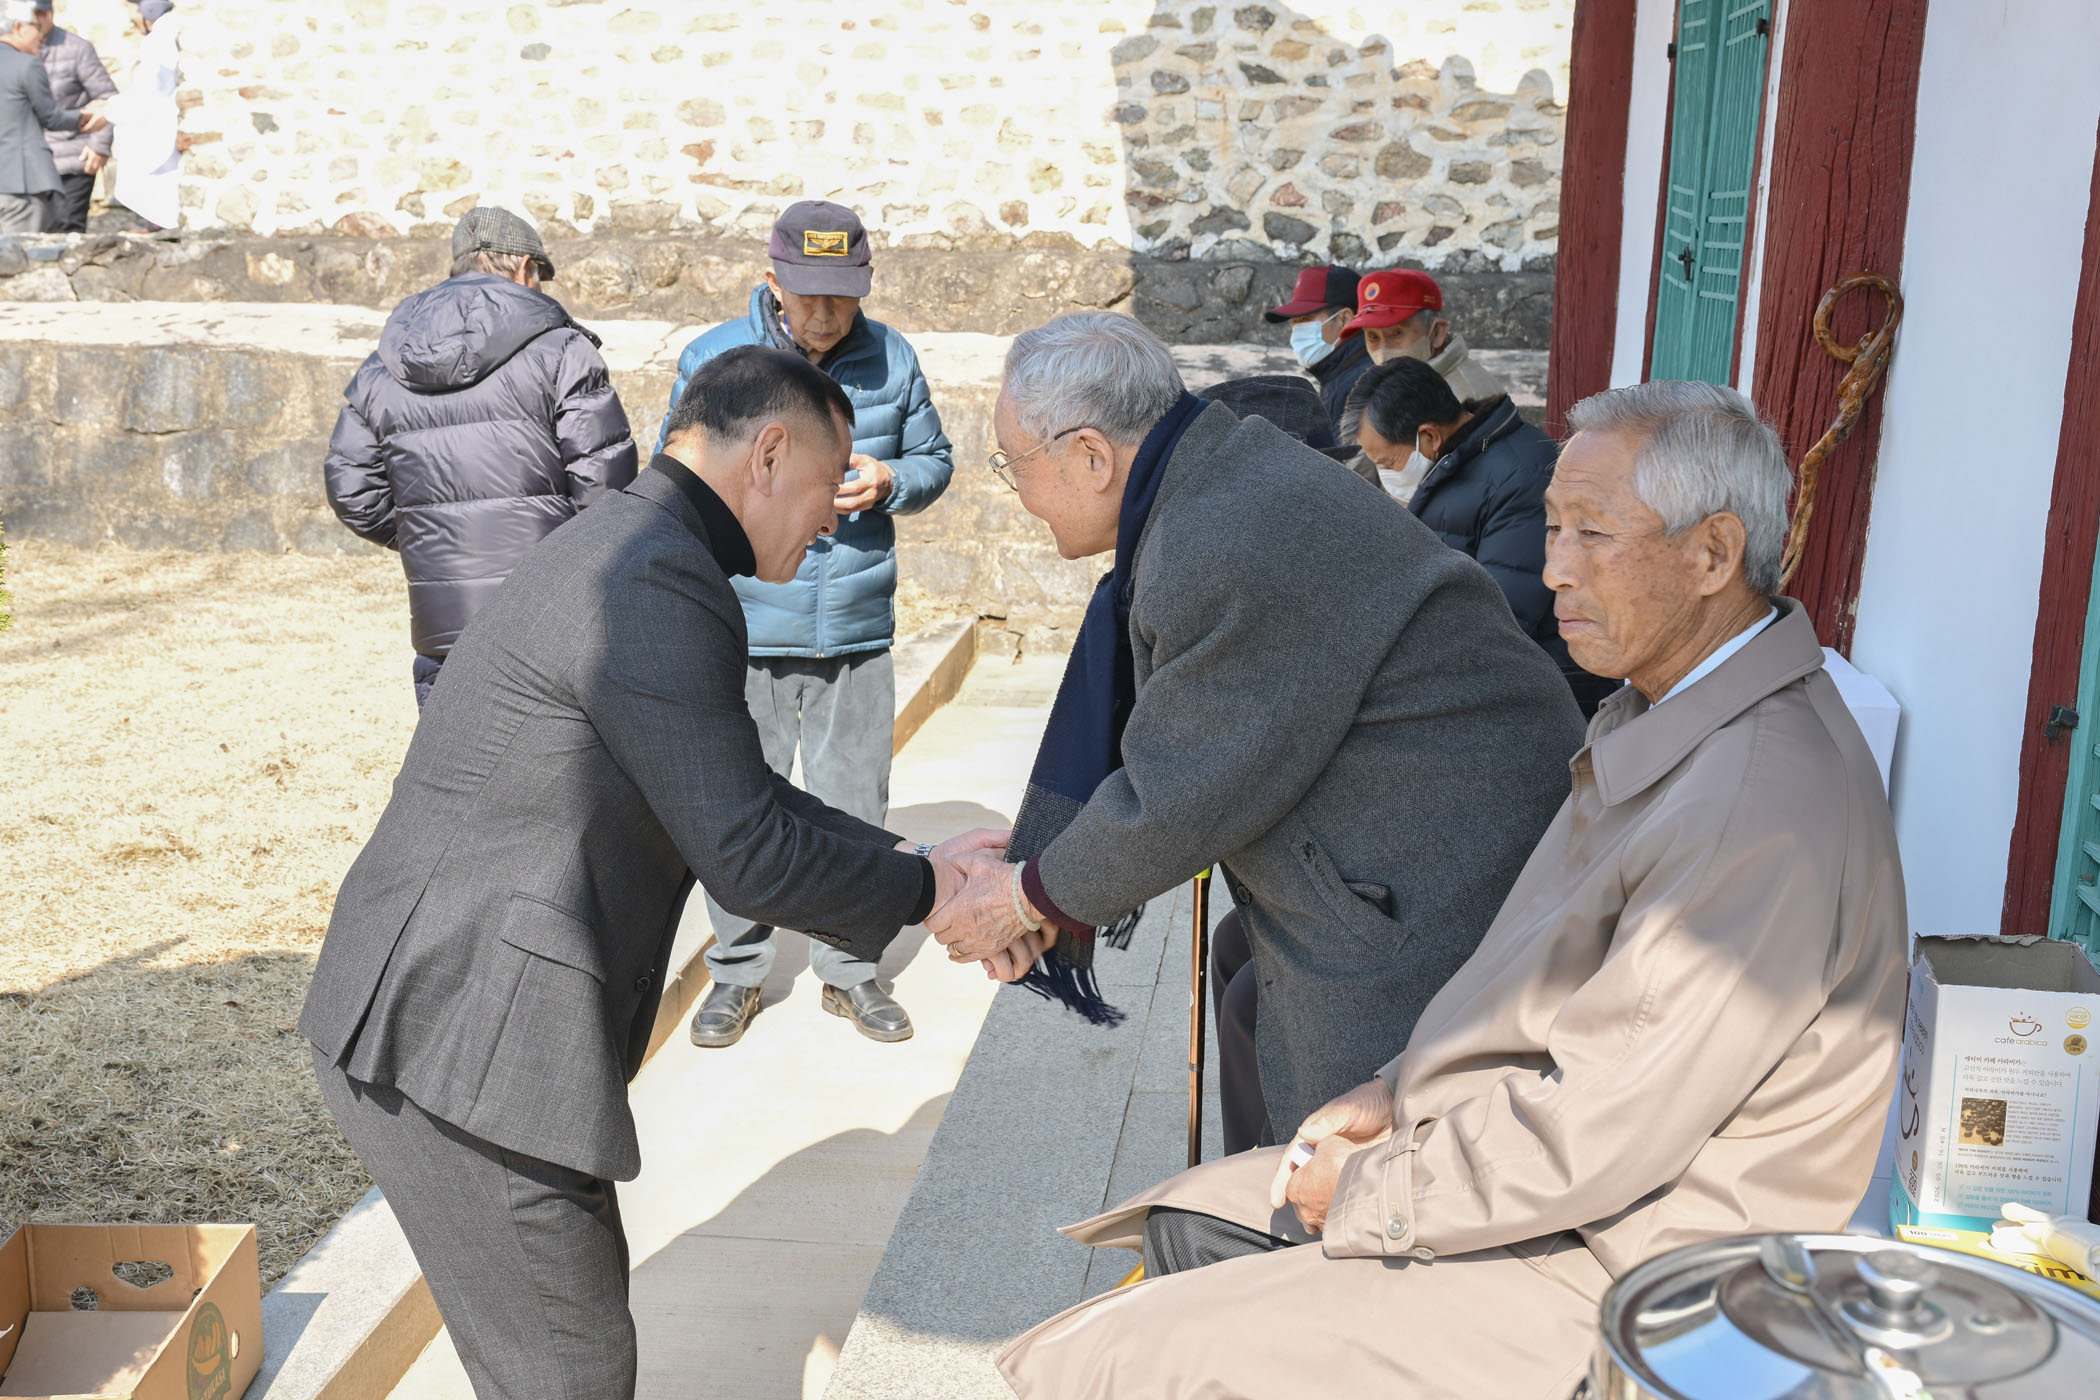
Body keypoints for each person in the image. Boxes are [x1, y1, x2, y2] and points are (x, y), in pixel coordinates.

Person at [995, 381, 1908, 1400]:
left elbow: (1598, 1129)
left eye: (1593, 533)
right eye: (1552, 527)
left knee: (1121, 1358)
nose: (1555, 568)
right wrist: (1394, 1089)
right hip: (1572, 1206)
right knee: (1190, 1222)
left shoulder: (1752, 803)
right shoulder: (1666, 714)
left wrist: (1375, 1187)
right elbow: (1534, 976)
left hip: (1639, 1269)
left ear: (1711, 555)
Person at [302, 346, 1005, 1400]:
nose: (833, 519)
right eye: (830, 482)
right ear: (770, 453)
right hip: (462, 1028)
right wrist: (935, 895)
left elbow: (734, 794)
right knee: (570, 1368)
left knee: (564, 1354)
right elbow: (748, 853)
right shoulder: (655, 576)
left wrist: (911, 857)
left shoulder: (639, 544)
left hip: (466, 1008)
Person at [930, 313, 1586, 1156]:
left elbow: (1180, 793)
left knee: (1333, 1117)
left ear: (1091, 456)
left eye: (1013, 462)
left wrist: (1025, 895)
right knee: (1243, 981)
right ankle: (1256, 1203)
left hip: (1451, 865)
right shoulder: (1219, 476)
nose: (1016, 491)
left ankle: (1311, 1210)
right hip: (1446, 814)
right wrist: (1046, 869)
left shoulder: (1219, 537)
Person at [659, 200, 954, 1049]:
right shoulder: (716, 361)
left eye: (843, 295)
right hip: (745, 625)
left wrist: (893, 481)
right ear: (771, 280)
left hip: (854, 627)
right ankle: (738, 969)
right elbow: (673, 473)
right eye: (808, 294)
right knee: (734, 811)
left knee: (856, 804)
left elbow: (936, 461)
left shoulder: (893, 357)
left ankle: (850, 971)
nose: (825, 314)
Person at [323, 206, 637, 708]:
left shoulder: (382, 365)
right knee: (556, 758)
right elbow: (605, 488)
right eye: (540, 275)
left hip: (443, 628)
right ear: (525, 267)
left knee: (450, 756)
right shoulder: (562, 350)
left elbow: (353, 492)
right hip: (550, 619)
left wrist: (431, 534)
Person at [1357, 356, 1618, 715]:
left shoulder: (1522, 475)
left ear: (1429, 436)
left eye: (1387, 463)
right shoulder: (1453, 464)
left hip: (1546, 689)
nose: (1385, 475)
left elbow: (1502, 615)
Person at [1338, 267, 1506, 498]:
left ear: (1437, 333)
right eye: (1373, 337)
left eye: (1397, 334)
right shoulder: (1397, 385)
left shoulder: (1468, 396)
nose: (1383, 353)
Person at [0, 0, 102, 233]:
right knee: (25, 253)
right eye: (36, 28)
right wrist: (88, 116)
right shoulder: (27, 65)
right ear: (18, 27)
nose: (41, 37)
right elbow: (51, 118)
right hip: (22, 183)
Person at [32, 1, 114, 234]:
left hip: (71, 160)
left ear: (51, 13)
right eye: (33, 15)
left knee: (67, 234)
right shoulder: (11, 50)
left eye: (43, 13)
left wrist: (99, 146)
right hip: (29, 162)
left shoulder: (77, 49)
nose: (39, 20)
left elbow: (107, 99)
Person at [1262, 264, 1369, 433]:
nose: (1296, 330)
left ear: (1344, 319)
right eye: (1294, 321)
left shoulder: (1362, 386)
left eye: (1305, 319)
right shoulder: (1339, 371)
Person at [103, 0, 178, 232]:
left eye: (132, 10)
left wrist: (107, 110)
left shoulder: (159, 40)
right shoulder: (164, 35)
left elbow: (147, 96)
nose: (131, 20)